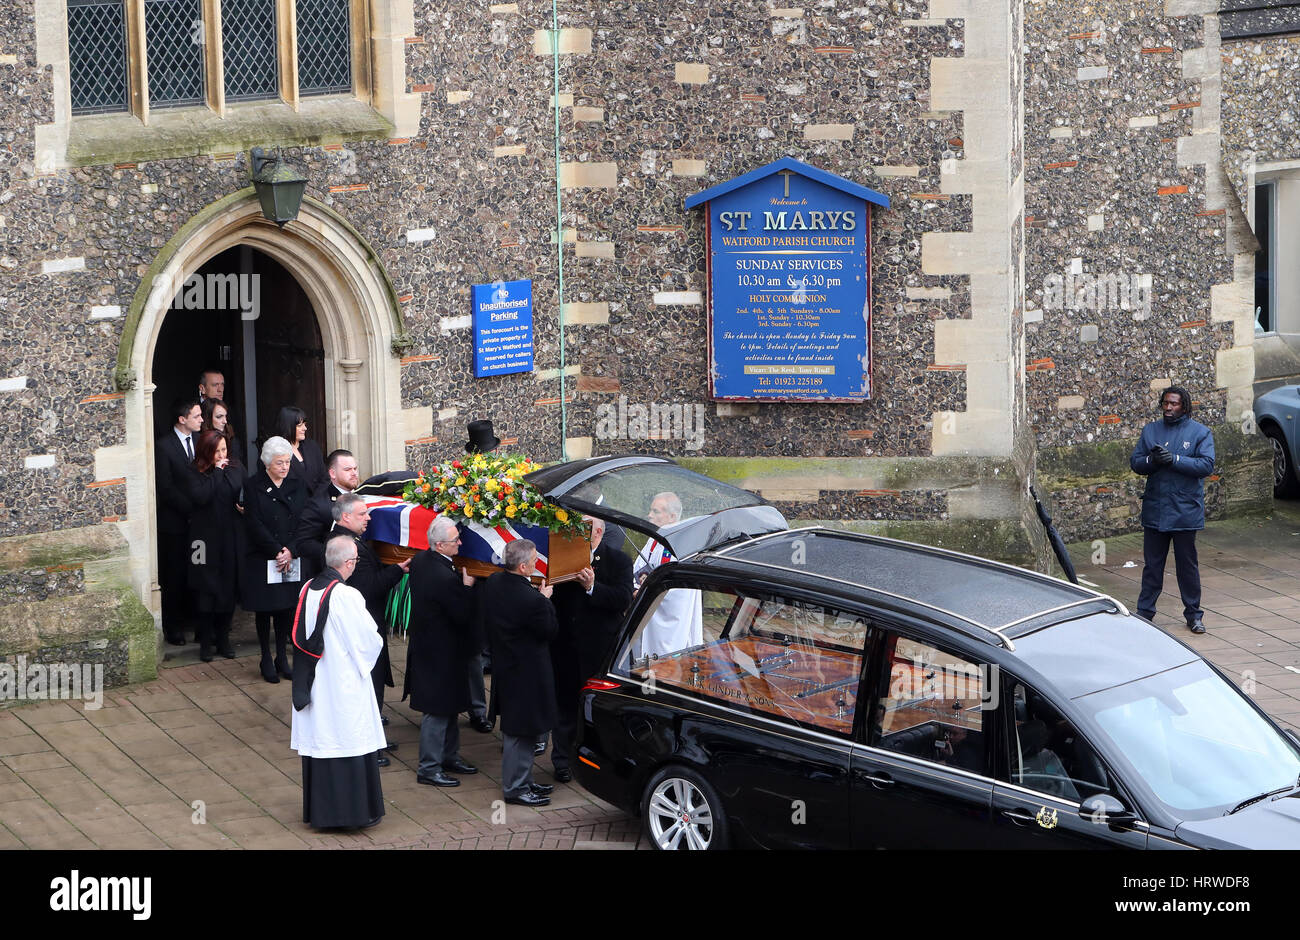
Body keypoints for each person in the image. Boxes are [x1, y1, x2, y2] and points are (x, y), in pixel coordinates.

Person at [290, 535, 387, 830]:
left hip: (316, 680)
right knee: (347, 742)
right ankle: (351, 814)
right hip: (342, 684)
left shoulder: (307, 588)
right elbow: (368, 641)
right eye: (356, 560)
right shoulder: (347, 596)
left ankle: (323, 814)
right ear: (348, 563)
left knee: (323, 743)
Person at [548, 516, 633, 782]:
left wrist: (592, 587)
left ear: (596, 532)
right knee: (564, 707)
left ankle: (598, 760)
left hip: (598, 649)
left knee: (598, 708)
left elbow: (622, 598)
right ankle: (562, 761)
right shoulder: (562, 556)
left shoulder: (618, 560)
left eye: (582, 527)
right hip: (566, 647)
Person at [326, 493, 408, 763]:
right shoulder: (350, 548)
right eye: (363, 514)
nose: (369, 518)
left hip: (364, 624)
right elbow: (368, 589)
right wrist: (398, 569)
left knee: (374, 688)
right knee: (369, 687)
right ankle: (369, 750)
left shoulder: (352, 541)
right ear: (346, 517)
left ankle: (374, 741)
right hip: (363, 627)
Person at [1130, 386, 1215, 634]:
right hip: (1156, 509)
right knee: (1152, 566)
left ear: (1184, 406)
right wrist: (1152, 461)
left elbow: (1206, 464)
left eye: (1174, 404)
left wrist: (1175, 460)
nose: (1168, 408)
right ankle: (1145, 612)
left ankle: (1194, 615)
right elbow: (1136, 462)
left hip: (1185, 511)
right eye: (1165, 403)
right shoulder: (1151, 430)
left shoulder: (1200, 432)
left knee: (1187, 566)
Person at [403, 517, 480, 787]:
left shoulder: (423, 560)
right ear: (439, 545)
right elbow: (461, 614)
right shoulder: (443, 577)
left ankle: (449, 756)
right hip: (442, 651)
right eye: (454, 540)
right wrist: (468, 588)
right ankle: (429, 767)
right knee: (437, 711)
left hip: (432, 646)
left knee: (450, 705)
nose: (460, 542)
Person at [482, 539, 558, 806]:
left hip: (507, 666)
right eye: (534, 559)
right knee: (521, 733)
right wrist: (545, 599)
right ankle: (515, 788)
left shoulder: (494, 583)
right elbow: (549, 630)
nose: (537, 563)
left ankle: (523, 780)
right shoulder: (532, 600)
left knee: (521, 730)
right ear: (524, 567)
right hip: (527, 673)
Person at [240, 436, 307, 682]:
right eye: (279, 463)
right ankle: (266, 656)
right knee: (265, 608)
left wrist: (290, 550)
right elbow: (253, 522)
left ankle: (281, 655)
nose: (284, 467)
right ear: (267, 463)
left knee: (286, 607)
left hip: (289, 556)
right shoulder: (253, 485)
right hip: (264, 555)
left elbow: (303, 519)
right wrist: (276, 550)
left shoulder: (297, 484)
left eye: (287, 462)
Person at [183, 429, 242, 661]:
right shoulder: (193, 471)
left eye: (224, 450)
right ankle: (205, 642)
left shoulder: (234, 467)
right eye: (217, 451)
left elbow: (239, 490)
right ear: (207, 451)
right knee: (205, 590)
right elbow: (202, 497)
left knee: (227, 589)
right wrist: (217, 472)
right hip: (202, 541)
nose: (221, 455)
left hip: (228, 537)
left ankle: (224, 639)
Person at [156, 397, 203, 646]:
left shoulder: (200, 441)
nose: (202, 420)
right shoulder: (164, 447)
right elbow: (165, 486)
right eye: (197, 416)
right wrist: (190, 508)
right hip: (174, 524)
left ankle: (198, 624)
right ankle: (173, 627)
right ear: (182, 419)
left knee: (197, 570)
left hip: (198, 525)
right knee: (174, 575)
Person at [632, 491, 703, 656]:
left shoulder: (684, 545)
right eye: (650, 510)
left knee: (665, 660)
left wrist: (645, 592)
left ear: (672, 516)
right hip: (647, 612)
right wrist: (635, 588)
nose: (649, 515)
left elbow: (679, 589)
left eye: (656, 511)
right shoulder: (655, 538)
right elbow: (638, 569)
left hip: (669, 620)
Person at [295, 449, 361, 578]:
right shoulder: (319, 504)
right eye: (347, 470)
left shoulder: (360, 495)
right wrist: (335, 553)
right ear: (332, 473)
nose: (354, 473)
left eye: (355, 469)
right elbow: (304, 542)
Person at [275, 405, 329, 498]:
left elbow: (324, 478)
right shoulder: (275, 451)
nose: (305, 428)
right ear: (288, 426)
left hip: (316, 505)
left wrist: (316, 500)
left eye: (304, 424)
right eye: (300, 425)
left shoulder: (312, 447)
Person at [201, 397, 243, 472]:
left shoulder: (232, 441)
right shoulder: (197, 441)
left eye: (225, 416)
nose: (225, 421)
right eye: (219, 417)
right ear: (207, 418)